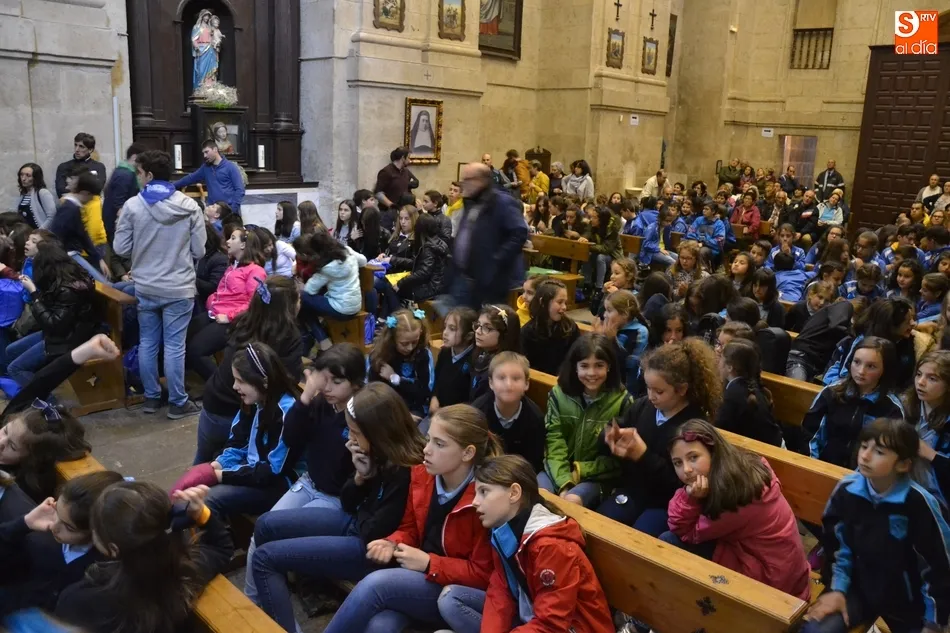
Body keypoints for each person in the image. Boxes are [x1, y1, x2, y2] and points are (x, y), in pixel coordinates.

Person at [249, 383, 421, 631]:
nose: (350, 439)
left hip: (370, 549)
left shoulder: (404, 469)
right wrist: (361, 477)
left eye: (355, 432)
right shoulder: (376, 452)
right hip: (356, 524)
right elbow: (348, 503)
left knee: (264, 559)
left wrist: (364, 503)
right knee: (266, 524)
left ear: (377, 432)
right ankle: (269, 605)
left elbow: (373, 532)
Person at [320, 404, 498, 633]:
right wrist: (392, 542)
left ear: (468, 453)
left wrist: (430, 563)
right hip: (420, 578)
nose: (427, 450)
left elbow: (483, 574)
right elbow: (411, 526)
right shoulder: (423, 473)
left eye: (439, 444)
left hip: (455, 594)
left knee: (376, 585)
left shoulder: (484, 501)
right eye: (428, 439)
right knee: (380, 626)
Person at [240, 343, 364, 605]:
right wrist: (306, 397)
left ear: (355, 384)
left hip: (336, 500)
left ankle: (261, 608)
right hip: (309, 484)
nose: (327, 388)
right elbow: (291, 438)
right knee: (260, 535)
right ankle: (251, 605)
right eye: (324, 380)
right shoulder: (321, 404)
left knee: (273, 543)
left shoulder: (362, 415)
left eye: (337, 382)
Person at [802, 418, 950, 633]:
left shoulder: (920, 503)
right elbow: (837, 547)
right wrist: (837, 589)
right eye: (864, 446)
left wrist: (933, 622)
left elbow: (937, 567)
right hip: (857, 588)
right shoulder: (847, 490)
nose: (865, 456)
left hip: (908, 600)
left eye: (879, 452)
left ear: (903, 464)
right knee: (815, 630)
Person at [437, 455, 614, 633]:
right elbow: (501, 591)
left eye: (484, 492)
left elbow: (551, 624)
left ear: (514, 493)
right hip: (532, 617)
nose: (475, 502)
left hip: (572, 628)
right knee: (450, 605)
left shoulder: (550, 547)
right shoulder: (504, 532)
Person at [54, 483, 234, 633]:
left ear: (113, 549)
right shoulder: (183, 575)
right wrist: (201, 513)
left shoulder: (78, 600)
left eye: (95, 529)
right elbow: (221, 547)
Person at [660, 420, 809, 599]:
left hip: (773, 581)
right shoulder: (736, 470)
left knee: (669, 542)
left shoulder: (734, 496)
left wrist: (689, 497)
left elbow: (684, 531)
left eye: (693, 458)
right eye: (677, 463)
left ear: (713, 452)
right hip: (781, 566)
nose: (686, 470)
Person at [113, 149, 205, 418]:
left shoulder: (133, 206)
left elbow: (120, 248)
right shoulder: (189, 206)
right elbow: (199, 250)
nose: (138, 178)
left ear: (150, 175)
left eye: (140, 173)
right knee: (175, 346)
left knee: (148, 343)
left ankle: (152, 398)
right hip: (179, 286)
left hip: (146, 286)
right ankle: (177, 402)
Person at [600, 339, 721, 534]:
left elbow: (681, 483)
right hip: (633, 491)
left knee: (640, 536)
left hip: (665, 503)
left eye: (659, 391)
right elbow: (620, 424)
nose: (651, 396)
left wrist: (643, 455)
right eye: (648, 388)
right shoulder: (644, 406)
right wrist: (610, 436)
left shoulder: (693, 425)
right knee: (603, 525)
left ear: (681, 389)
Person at [194, 276, 303, 464]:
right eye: (299, 298)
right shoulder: (288, 336)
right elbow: (287, 381)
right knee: (237, 466)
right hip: (243, 415)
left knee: (202, 464)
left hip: (213, 404)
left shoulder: (243, 321)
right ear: (289, 306)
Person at [190, 342, 301, 517]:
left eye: (241, 381)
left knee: (208, 499)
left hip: (279, 484)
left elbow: (271, 471)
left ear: (264, 382)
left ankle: (212, 533)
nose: (235, 386)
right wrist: (219, 465)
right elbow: (238, 442)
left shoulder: (286, 413)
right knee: (193, 488)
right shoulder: (254, 401)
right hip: (252, 471)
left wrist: (220, 475)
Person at [0, 470, 124, 615]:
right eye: (56, 512)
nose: (54, 526)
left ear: (96, 533)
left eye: (69, 528)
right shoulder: (40, 532)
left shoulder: (99, 570)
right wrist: (23, 523)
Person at [540, 334, 632, 508]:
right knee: (540, 495)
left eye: (599, 365)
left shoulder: (623, 401)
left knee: (572, 501)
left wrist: (580, 470)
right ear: (575, 367)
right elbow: (553, 440)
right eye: (584, 366)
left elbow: (619, 458)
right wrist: (564, 482)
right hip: (558, 467)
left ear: (609, 367)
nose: (591, 373)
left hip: (596, 476)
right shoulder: (559, 395)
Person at [806, 336, 905, 468]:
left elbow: (888, 453)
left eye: (871, 366)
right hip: (821, 466)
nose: (861, 371)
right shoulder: (831, 393)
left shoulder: (892, 409)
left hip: (865, 475)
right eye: (856, 362)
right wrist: (813, 466)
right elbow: (809, 434)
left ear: (884, 369)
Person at [11, 241, 98, 390]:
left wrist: (34, 293)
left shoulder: (67, 290)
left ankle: (47, 402)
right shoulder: (62, 278)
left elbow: (54, 324)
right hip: (61, 333)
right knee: (11, 350)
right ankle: (25, 390)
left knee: (15, 369)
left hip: (66, 339)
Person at [187, 227, 266, 380]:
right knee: (183, 338)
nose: (228, 241)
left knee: (196, 351)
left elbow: (254, 304)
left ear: (243, 245)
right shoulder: (232, 266)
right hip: (216, 313)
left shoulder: (256, 271)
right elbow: (221, 292)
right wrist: (212, 302)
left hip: (234, 321)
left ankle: (221, 387)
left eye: (233, 238)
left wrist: (229, 316)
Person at [450, 163, 528, 309]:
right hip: (466, 277)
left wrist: (495, 261)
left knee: (485, 319)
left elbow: (519, 234)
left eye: (467, 180)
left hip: (491, 281)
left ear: (481, 181)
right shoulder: (471, 202)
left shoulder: (502, 202)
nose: (463, 184)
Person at [471, 353, 545, 472]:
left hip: (518, 474)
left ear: (526, 384)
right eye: (501, 378)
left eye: (516, 378)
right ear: (491, 383)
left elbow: (533, 463)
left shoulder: (535, 418)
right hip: (484, 472)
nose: (508, 385)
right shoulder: (477, 413)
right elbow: (474, 455)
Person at [368, 309, 434, 418]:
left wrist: (395, 378)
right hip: (386, 407)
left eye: (414, 342)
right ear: (392, 338)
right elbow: (372, 388)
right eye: (404, 344)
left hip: (414, 408)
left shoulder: (423, 354)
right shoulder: (380, 354)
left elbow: (424, 392)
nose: (410, 348)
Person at [716, 339, 783, 445]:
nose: (718, 364)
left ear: (729, 367)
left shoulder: (733, 394)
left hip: (769, 450)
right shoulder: (749, 386)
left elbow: (718, 428)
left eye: (721, 359)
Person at [48, 170, 111, 283]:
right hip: (68, 256)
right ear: (85, 193)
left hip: (70, 255)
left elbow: (83, 235)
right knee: (103, 284)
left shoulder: (74, 207)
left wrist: (99, 259)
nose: (92, 199)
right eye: (92, 196)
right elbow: (57, 236)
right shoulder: (69, 209)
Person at [520, 279, 579, 375]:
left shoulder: (570, 328)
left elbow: (575, 358)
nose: (564, 307)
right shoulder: (527, 332)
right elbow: (525, 366)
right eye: (560, 302)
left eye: (565, 302)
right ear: (543, 302)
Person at [596, 289, 649, 393]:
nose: (605, 315)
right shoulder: (613, 329)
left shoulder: (639, 332)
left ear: (624, 314)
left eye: (609, 310)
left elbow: (626, 364)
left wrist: (611, 340)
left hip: (626, 386)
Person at [172, 140, 246, 214]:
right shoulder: (205, 168)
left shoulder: (230, 167)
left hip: (229, 211)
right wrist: (171, 186)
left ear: (215, 149)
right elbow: (190, 178)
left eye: (206, 152)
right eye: (203, 153)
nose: (205, 156)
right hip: (213, 212)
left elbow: (240, 190)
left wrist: (233, 210)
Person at [431, 307, 477, 413]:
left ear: (469, 336)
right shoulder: (445, 352)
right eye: (445, 327)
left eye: (452, 329)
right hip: (438, 411)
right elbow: (436, 380)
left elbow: (472, 399)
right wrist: (434, 397)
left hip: (458, 415)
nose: (445, 333)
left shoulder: (474, 359)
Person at [470, 304, 520, 401]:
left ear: (504, 334)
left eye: (487, 328)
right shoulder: (481, 354)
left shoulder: (504, 370)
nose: (478, 331)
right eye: (478, 325)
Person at [101, 143, 145, 244]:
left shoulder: (123, 171)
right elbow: (119, 203)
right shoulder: (125, 174)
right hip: (117, 225)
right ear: (135, 157)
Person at [54, 133, 106, 197]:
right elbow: (61, 191)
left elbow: (97, 189)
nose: (76, 149)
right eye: (75, 145)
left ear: (90, 150)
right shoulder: (64, 166)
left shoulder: (99, 167)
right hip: (70, 203)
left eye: (81, 147)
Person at [14, 163, 57, 230]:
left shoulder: (43, 193)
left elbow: (52, 216)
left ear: (36, 178)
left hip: (39, 233)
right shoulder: (23, 194)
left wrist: (39, 232)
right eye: (21, 175)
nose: (23, 178)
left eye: (28, 175)